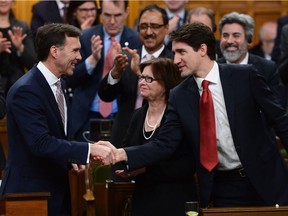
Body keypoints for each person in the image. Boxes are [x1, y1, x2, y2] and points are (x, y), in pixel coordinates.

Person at [98, 23, 288, 208]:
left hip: (266, 178)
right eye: (174, 53)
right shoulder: (179, 95)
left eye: (182, 52)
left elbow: (280, 120)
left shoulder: (244, 75)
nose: (176, 60)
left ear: (202, 49)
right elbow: (165, 144)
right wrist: (122, 153)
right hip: (223, 185)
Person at [0, 23, 114, 216]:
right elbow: (41, 143)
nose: (79, 57)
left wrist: (71, 158)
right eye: (75, 50)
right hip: (29, 195)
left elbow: (56, 136)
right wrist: (89, 149)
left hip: (56, 192)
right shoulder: (26, 90)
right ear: (54, 51)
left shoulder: (60, 85)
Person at [117, 57, 196, 216]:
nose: (142, 82)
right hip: (143, 197)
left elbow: (186, 164)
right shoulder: (137, 116)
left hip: (175, 198)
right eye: (141, 77)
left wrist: (143, 169)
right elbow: (126, 150)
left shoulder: (178, 114)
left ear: (166, 83)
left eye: (149, 79)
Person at [99, 4, 173, 149]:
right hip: (122, 138)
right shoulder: (127, 58)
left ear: (166, 28)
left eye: (155, 26)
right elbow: (105, 96)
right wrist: (115, 73)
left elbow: (170, 98)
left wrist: (140, 74)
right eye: (144, 26)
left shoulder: (173, 62)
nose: (149, 32)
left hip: (157, 138)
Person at [66, 0, 141, 142]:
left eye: (117, 15)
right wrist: (92, 60)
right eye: (107, 15)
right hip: (86, 116)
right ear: (100, 13)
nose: (112, 21)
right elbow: (70, 79)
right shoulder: (86, 37)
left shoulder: (137, 40)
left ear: (126, 12)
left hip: (121, 118)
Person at [217, 12, 283, 104]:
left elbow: (277, 110)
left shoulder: (267, 69)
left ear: (248, 40)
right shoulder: (213, 68)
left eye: (236, 35)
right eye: (225, 35)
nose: (229, 41)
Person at [0, 0, 37, 95]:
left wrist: (20, 47)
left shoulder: (22, 27)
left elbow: (33, 63)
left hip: (17, 86)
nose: (3, 0)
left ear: (13, 2)